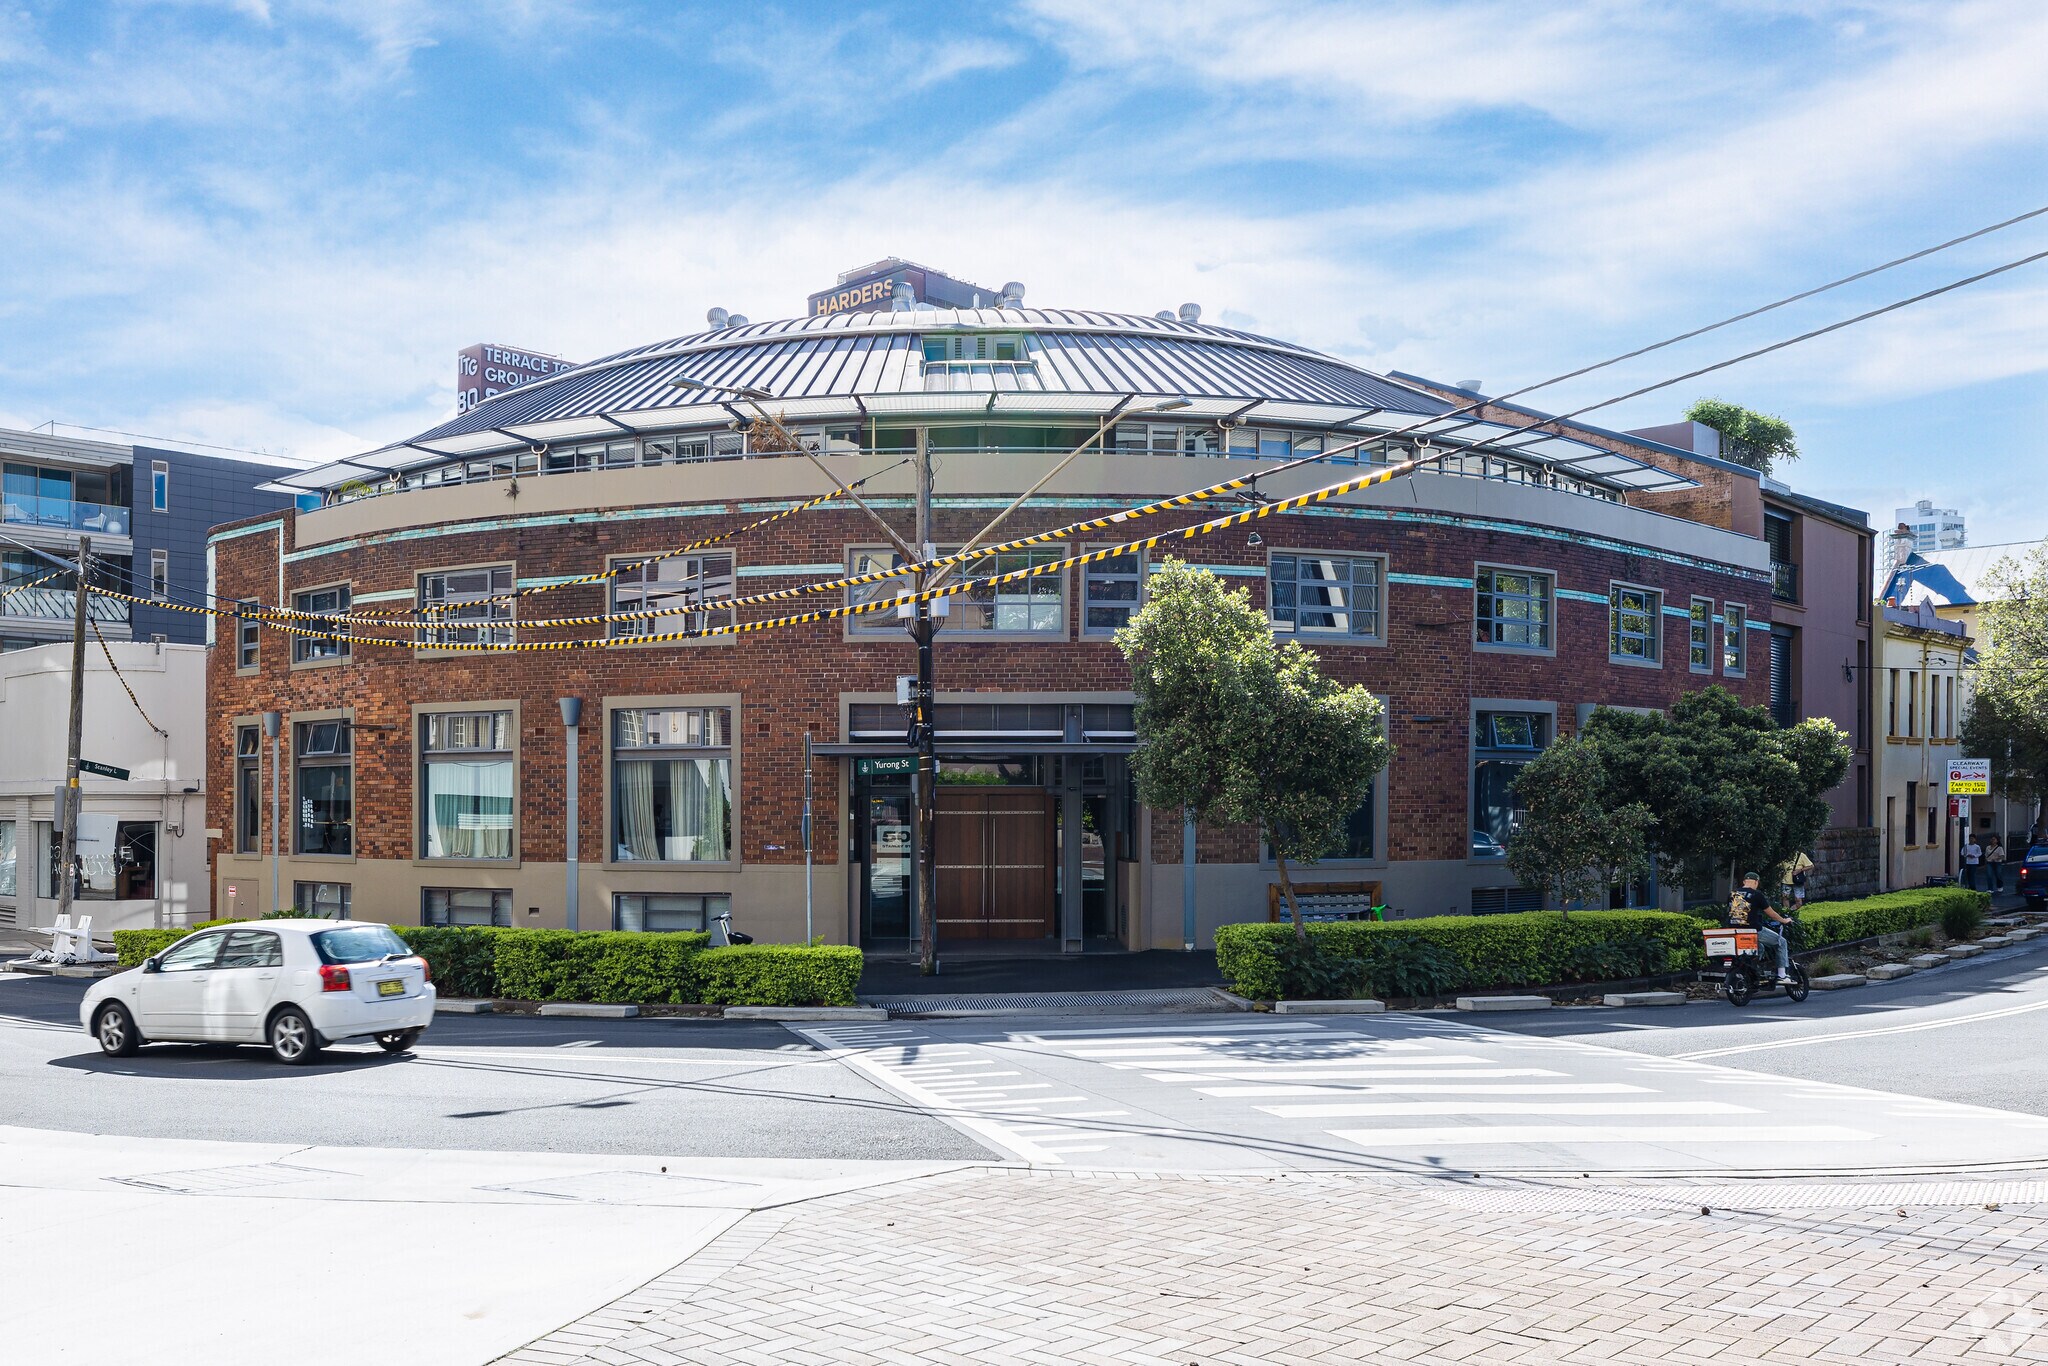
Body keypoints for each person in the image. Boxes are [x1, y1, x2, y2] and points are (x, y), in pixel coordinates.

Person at [1728, 871, 1794, 984]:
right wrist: (1784, 920)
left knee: (1760, 948)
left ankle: (1753, 972)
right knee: (1781, 942)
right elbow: (1771, 913)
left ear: (1744, 882)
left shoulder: (1732, 894)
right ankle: (1782, 975)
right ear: (1756, 882)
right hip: (1753, 930)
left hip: (1735, 932)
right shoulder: (1756, 894)